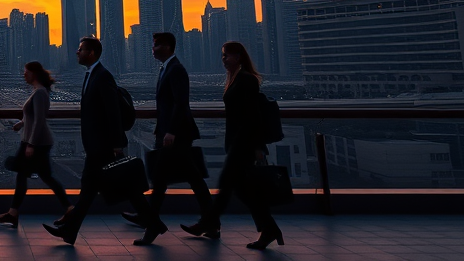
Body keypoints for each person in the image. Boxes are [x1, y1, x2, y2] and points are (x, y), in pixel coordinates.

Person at [44, 37, 162, 246]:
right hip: (98, 145)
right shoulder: (93, 75)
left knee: (94, 189)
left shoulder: (103, 76)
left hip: (105, 146)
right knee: (98, 190)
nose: (76, 53)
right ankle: (71, 232)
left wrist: (116, 143)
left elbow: (113, 112)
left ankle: (70, 231)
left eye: (80, 50)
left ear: (91, 53)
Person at [181, 41, 284, 250]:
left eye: (226, 55)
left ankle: (208, 224)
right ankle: (269, 229)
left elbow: (252, 116)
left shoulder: (246, 80)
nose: (223, 59)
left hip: (244, 144)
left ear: (238, 56)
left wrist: (256, 147)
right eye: (222, 56)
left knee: (227, 186)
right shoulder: (236, 78)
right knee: (244, 191)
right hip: (239, 142)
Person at [123, 32, 213, 245]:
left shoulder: (176, 69)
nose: (152, 49)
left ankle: (151, 224)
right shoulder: (167, 68)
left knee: (169, 178)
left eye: (155, 46)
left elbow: (180, 103)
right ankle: (211, 222)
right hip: (171, 133)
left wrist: (171, 131)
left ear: (167, 47)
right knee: (178, 179)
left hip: (176, 135)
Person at [0, 62, 72, 228]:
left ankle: (69, 208)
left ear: (34, 73)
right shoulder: (38, 92)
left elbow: (40, 120)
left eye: (26, 72)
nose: (24, 75)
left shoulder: (40, 93)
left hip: (36, 143)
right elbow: (33, 117)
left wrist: (31, 145)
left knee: (40, 176)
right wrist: (21, 124)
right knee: (32, 176)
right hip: (31, 141)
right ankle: (13, 213)